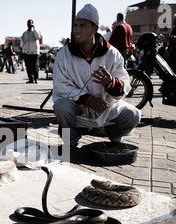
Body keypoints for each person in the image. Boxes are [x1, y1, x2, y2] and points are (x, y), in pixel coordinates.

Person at [52, 4, 141, 148]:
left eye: (83, 26)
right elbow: (60, 87)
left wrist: (111, 83)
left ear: (95, 29)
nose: (77, 30)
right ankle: (71, 142)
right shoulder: (64, 54)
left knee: (134, 115)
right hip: (78, 108)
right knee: (61, 106)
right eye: (75, 26)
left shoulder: (112, 54)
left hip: (106, 109)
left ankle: (112, 134)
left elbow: (125, 85)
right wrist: (88, 99)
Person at [22, 19, 41, 84]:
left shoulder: (36, 31)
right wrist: (23, 50)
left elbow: (38, 37)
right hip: (27, 52)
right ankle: (31, 79)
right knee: (28, 66)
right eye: (28, 23)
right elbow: (24, 42)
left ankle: (35, 78)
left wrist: (34, 29)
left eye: (31, 23)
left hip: (35, 52)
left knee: (35, 65)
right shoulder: (25, 33)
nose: (29, 25)